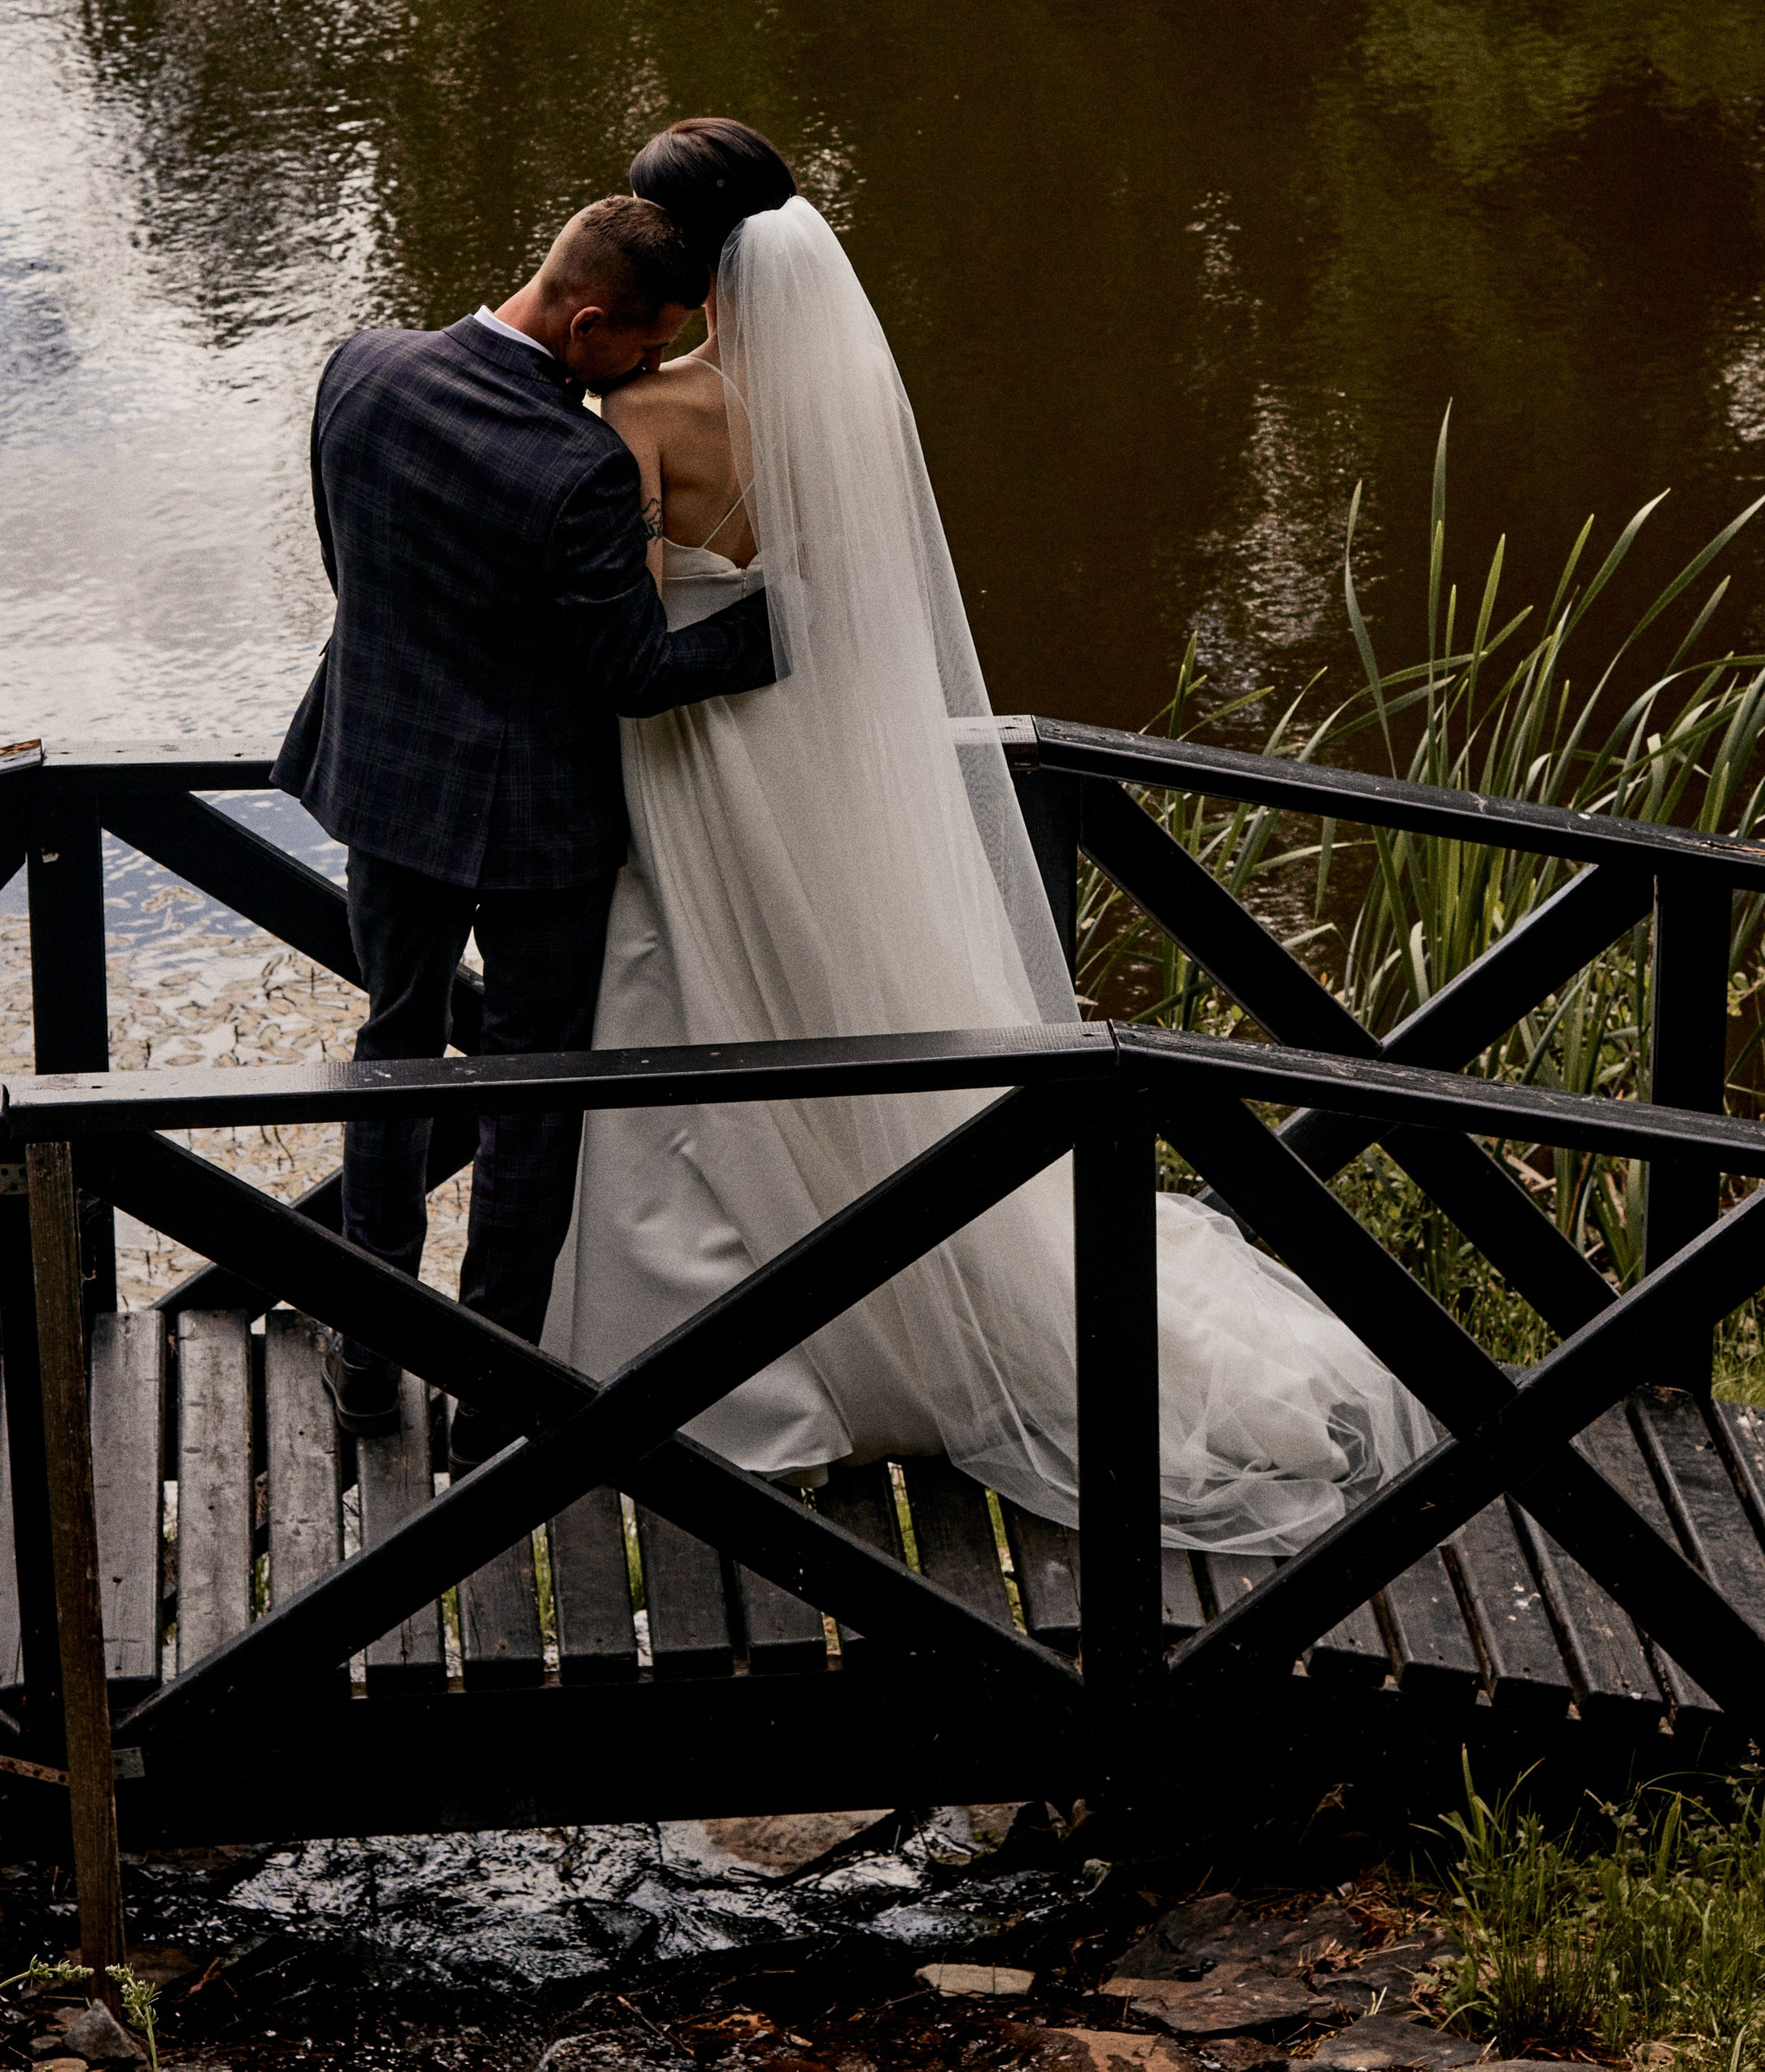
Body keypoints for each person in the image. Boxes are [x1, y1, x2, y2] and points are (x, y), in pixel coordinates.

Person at [544, 120, 1436, 1550]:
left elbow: (623, 637)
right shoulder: (851, 403)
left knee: (685, 1018)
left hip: (700, 770)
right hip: (825, 773)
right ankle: (893, 1310)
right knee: (852, 1010)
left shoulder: (648, 414)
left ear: (676, 262)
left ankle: (719, 1378)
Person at [275, 194, 780, 1452]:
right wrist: (793, 624)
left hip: (386, 781)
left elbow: (350, 560)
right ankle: (490, 1385)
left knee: (392, 1049)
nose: (655, 377)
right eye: (651, 351)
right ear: (594, 321)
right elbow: (633, 672)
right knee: (532, 1092)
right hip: (539, 825)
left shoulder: (364, 366)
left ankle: (367, 1349)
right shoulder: (578, 468)